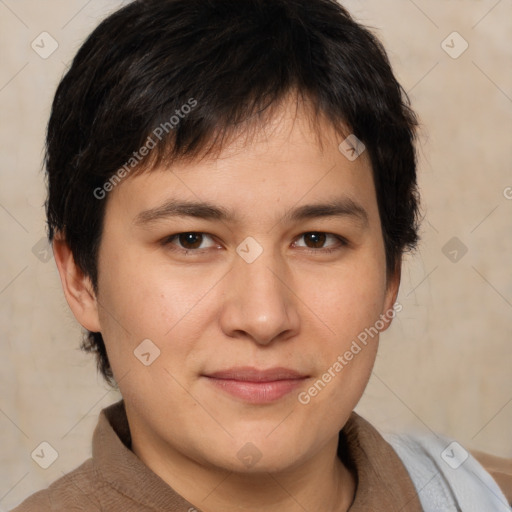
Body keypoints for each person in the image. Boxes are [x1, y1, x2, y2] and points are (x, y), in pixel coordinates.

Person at [11, 0, 511, 510]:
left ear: (390, 278)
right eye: (191, 240)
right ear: (80, 278)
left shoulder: (480, 496)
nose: (265, 317)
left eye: (317, 239)